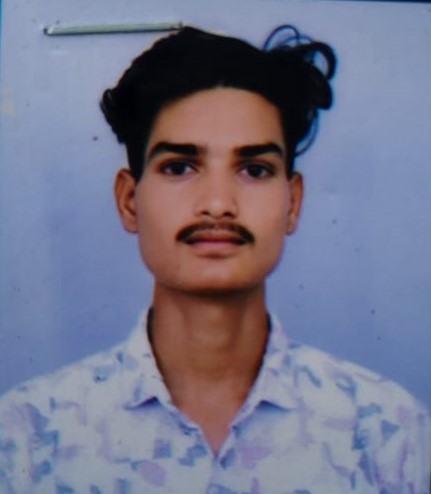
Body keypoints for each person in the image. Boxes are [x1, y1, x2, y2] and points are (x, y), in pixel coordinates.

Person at [0, 25, 429, 494]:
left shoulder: (388, 434)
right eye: (179, 167)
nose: (219, 204)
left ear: (293, 203)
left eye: (255, 169)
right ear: (128, 201)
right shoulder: (27, 439)